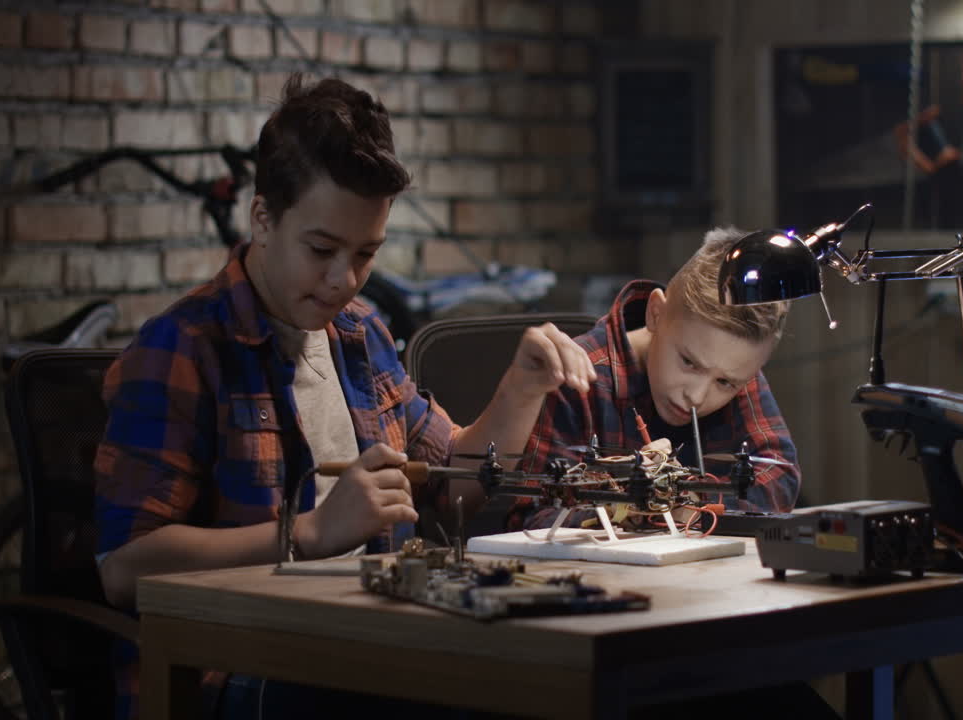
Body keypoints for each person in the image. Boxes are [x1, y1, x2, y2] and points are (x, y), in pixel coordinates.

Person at [92, 74, 593, 719]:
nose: (343, 280)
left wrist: (521, 389)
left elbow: (456, 484)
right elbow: (124, 568)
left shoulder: (362, 336)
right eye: (323, 250)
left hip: (368, 642)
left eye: (365, 254)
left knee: (546, 682)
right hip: (234, 672)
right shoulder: (184, 346)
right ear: (263, 217)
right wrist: (307, 533)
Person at [514, 227, 800, 530]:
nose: (698, 395)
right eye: (689, 363)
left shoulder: (729, 365)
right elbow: (531, 516)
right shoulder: (575, 377)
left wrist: (688, 504)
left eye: (725, 384)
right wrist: (635, 511)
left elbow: (779, 477)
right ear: (655, 314)